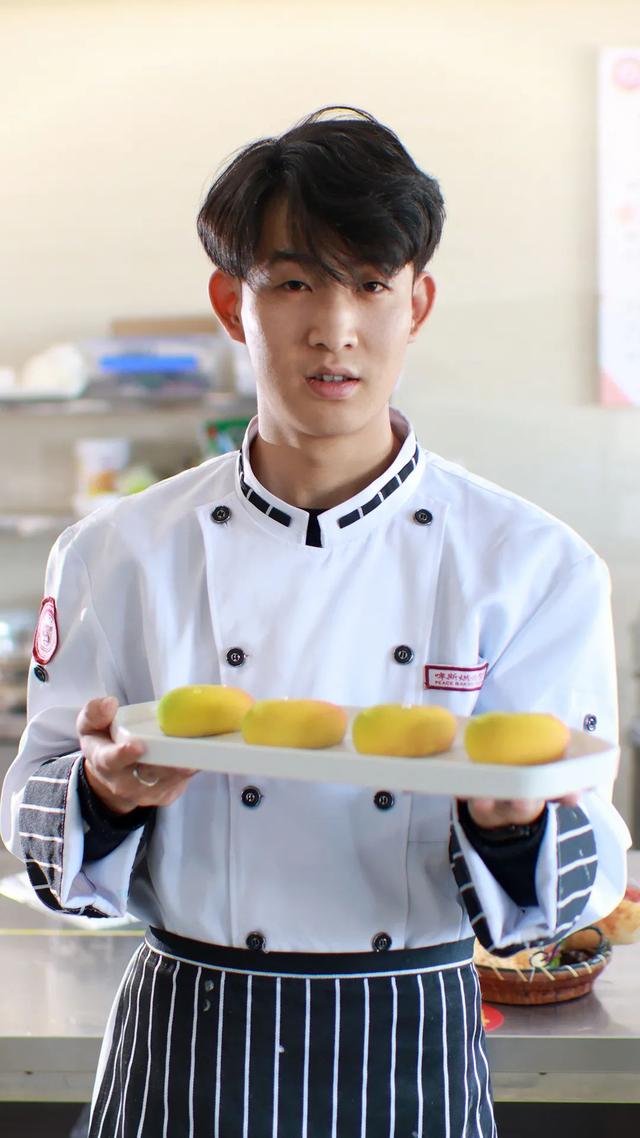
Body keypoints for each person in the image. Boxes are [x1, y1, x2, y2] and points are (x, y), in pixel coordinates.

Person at [1, 107, 630, 1138]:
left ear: (416, 304)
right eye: (293, 283)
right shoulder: (118, 550)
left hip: (410, 1045)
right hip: (188, 1040)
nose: (334, 327)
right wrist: (104, 795)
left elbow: (580, 883)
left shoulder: (532, 565)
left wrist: (511, 825)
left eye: (370, 284)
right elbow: (31, 818)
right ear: (231, 303)